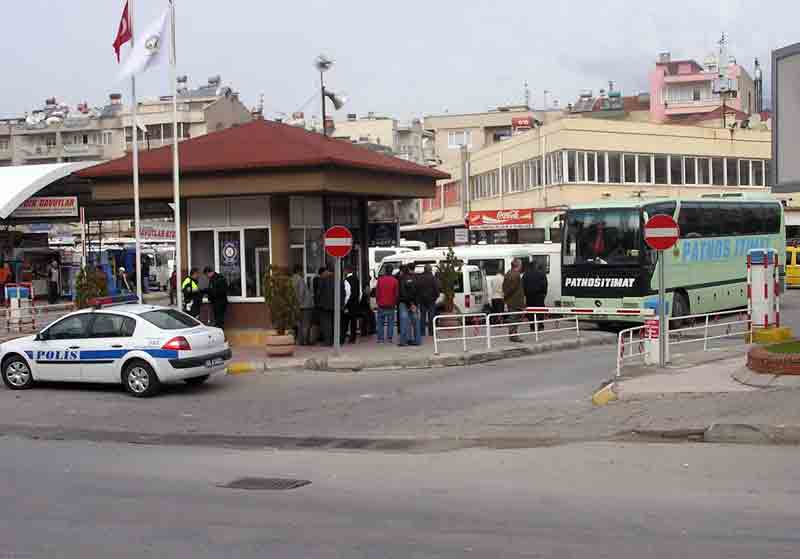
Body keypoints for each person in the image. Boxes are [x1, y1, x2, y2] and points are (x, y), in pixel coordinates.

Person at [375, 264, 399, 344]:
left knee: (380, 323)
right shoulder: (395, 281)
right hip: (391, 305)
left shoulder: (380, 280)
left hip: (381, 304)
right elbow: (396, 294)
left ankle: (380, 338)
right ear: (392, 271)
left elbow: (377, 293)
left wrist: (378, 301)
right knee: (390, 322)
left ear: (385, 271)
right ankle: (389, 338)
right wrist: (394, 302)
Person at [502, 258, 525, 343]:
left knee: (514, 317)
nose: (521, 266)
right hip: (515, 300)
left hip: (511, 300)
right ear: (517, 265)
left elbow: (504, 286)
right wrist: (506, 296)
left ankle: (513, 334)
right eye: (520, 264)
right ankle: (513, 335)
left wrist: (505, 297)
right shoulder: (516, 274)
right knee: (514, 318)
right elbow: (512, 288)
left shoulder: (508, 273)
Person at [398, 265, 421, 346]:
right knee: (416, 322)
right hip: (415, 304)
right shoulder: (417, 278)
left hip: (405, 303)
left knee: (404, 322)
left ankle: (403, 341)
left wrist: (409, 303)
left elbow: (403, 292)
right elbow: (419, 292)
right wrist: (414, 304)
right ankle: (417, 340)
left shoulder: (402, 279)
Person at [415, 264, 440, 337]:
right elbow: (436, 289)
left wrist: (418, 298)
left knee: (422, 316)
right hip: (431, 300)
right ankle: (431, 332)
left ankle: (422, 332)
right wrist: (436, 297)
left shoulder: (420, 277)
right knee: (431, 316)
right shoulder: (433, 278)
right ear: (430, 270)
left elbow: (417, 288)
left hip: (422, 300)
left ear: (424, 269)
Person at [523, 260, 549, 331]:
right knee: (540, 311)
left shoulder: (525, 274)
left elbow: (523, 286)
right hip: (539, 296)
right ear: (535, 266)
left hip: (529, 296)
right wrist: (544, 295)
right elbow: (545, 285)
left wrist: (525, 295)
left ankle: (532, 327)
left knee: (531, 312)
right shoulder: (542, 274)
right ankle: (541, 326)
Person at [292, 265, 313, 345]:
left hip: (298, 305)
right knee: (306, 324)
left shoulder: (291, 279)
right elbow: (301, 293)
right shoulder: (300, 279)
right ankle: (305, 341)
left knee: (300, 324)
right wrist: (299, 304)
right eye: (302, 271)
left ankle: (301, 341)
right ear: (299, 271)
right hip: (305, 305)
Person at [317, 267, 336, 346]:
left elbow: (319, 292)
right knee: (332, 323)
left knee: (326, 323)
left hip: (324, 305)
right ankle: (332, 341)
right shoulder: (335, 278)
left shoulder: (322, 279)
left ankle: (327, 341)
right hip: (334, 304)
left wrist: (317, 302)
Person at [342, 266, 360, 344]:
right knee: (353, 321)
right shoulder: (356, 279)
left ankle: (342, 337)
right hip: (355, 303)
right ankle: (353, 338)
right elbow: (359, 292)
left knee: (345, 321)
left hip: (348, 303)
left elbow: (347, 293)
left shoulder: (346, 280)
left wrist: (345, 304)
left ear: (346, 271)